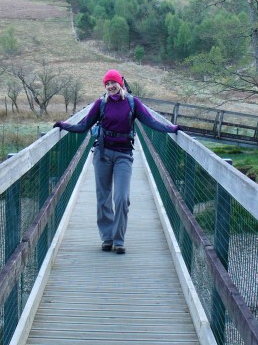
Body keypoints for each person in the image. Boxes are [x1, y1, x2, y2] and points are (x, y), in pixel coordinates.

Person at [53, 69, 180, 254]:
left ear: (120, 83)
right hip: (102, 153)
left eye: (113, 83)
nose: (110, 86)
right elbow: (83, 127)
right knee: (103, 197)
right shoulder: (101, 104)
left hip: (124, 155)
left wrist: (172, 128)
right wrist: (64, 125)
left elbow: (151, 122)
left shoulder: (132, 103)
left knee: (121, 198)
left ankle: (119, 240)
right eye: (107, 84)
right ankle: (107, 238)